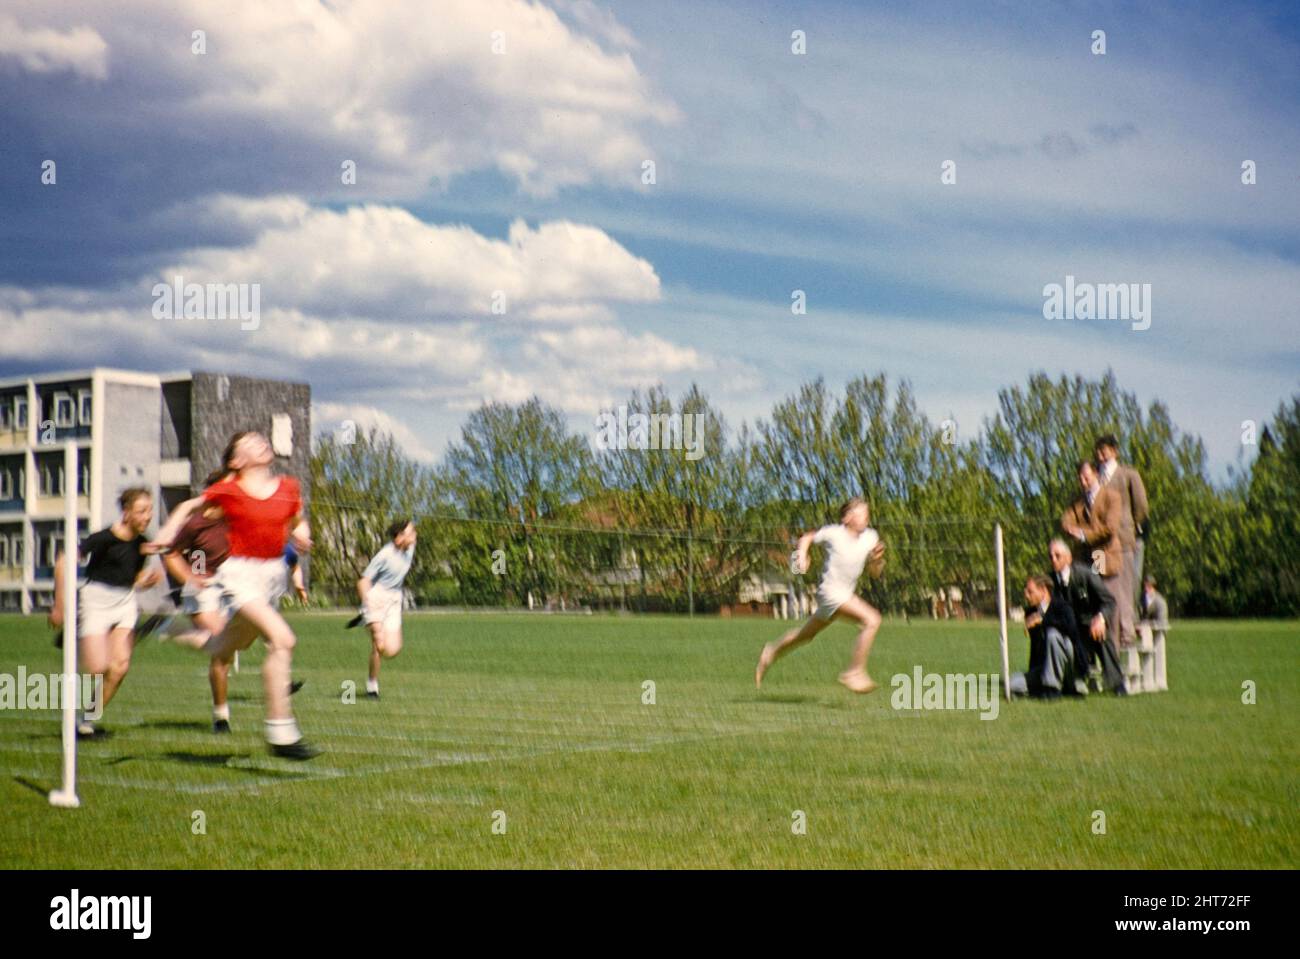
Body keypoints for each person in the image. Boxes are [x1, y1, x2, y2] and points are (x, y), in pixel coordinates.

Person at [152, 431, 319, 759]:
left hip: (271, 579)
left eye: (262, 438)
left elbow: (298, 521)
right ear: (235, 461)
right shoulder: (227, 490)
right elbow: (191, 505)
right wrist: (168, 531)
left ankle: (173, 630)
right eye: (251, 441)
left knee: (226, 646)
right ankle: (281, 732)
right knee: (282, 640)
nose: (261, 441)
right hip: (240, 576)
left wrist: (301, 536)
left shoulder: (288, 486)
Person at [49, 488, 163, 736]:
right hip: (95, 602)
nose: (148, 516)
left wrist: (145, 581)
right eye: (142, 511)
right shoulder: (103, 538)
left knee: (119, 667)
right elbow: (63, 561)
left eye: (150, 510)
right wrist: (59, 605)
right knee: (98, 667)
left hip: (124, 603)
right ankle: (74, 635)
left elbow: (131, 577)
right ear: (126, 513)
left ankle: (87, 722)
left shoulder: (142, 543)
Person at [755, 497, 886, 693]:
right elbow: (807, 537)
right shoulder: (834, 533)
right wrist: (802, 554)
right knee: (872, 620)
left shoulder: (871, 537)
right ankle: (854, 672)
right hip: (830, 593)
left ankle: (770, 653)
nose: (867, 517)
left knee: (804, 636)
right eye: (862, 513)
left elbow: (875, 573)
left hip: (845, 596)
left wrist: (876, 560)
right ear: (847, 518)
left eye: (867, 513)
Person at [1061, 460, 1127, 655]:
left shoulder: (1111, 496)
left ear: (1097, 475)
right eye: (1080, 478)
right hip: (1085, 560)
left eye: (1086, 477)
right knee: (1086, 610)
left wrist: (1082, 534)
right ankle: (1088, 658)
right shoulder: (1078, 501)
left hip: (1103, 555)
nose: (1082, 481)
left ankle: (1113, 657)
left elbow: (1110, 528)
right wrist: (1071, 528)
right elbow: (1066, 521)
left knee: (1107, 608)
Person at [1048, 537, 1125, 694]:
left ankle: (1117, 682)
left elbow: (1109, 601)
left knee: (1102, 636)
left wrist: (1100, 619)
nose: (1053, 560)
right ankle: (1060, 681)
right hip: (1067, 629)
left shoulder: (1087, 575)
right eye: (1050, 556)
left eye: (1057, 555)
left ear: (1068, 558)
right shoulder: (1049, 580)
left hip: (1090, 626)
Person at [1095, 435, 1149, 642]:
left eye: (1104, 450)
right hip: (1099, 544)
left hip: (1124, 540)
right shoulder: (1095, 476)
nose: (1100, 455)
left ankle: (1127, 632)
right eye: (1098, 451)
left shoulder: (1129, 475)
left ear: (1115, 451)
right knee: (1101, 584)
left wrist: (1132, 527)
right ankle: (1107, 631)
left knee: (1125, 586)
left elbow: (1141, 505)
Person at [356, 519, 417, 699]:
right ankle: (372, 687)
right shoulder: (384, 555)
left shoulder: (410, 547)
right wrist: (368, 606)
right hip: (376, 597)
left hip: (395, 600)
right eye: (410, 532)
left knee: (391, 650)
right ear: (398, 538)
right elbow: (363, 581)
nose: (415, 535)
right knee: (378, 643)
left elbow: (411, 535)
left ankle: (369, 625)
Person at [1010, 574, 1080, 699]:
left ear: (1043, 590)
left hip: (1068, 665)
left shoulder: (1062, 606)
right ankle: (1046, 685)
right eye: (1026, 591)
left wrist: (1043, 620)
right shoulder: (1031, 612)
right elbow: (1035, 647)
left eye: (1030, 591)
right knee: (1012, 684)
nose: (1026, 595)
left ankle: (1053, 689)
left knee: (1053, 634)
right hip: (1044, 667)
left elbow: (1072, 630)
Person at [1137, 575, 1170, 693]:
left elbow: (1162, 620)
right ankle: (1146, 679)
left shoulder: (1160, 601)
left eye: (1149, 585)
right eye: (1145, 585)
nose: (1147, 587)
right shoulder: (1141, 598)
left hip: (1158, 631)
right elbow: (1139, 613)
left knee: (1159, 654)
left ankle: (1160, 681)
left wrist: (1149, 624)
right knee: (1145, 652)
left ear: (1153, 586)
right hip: (1145, 631)